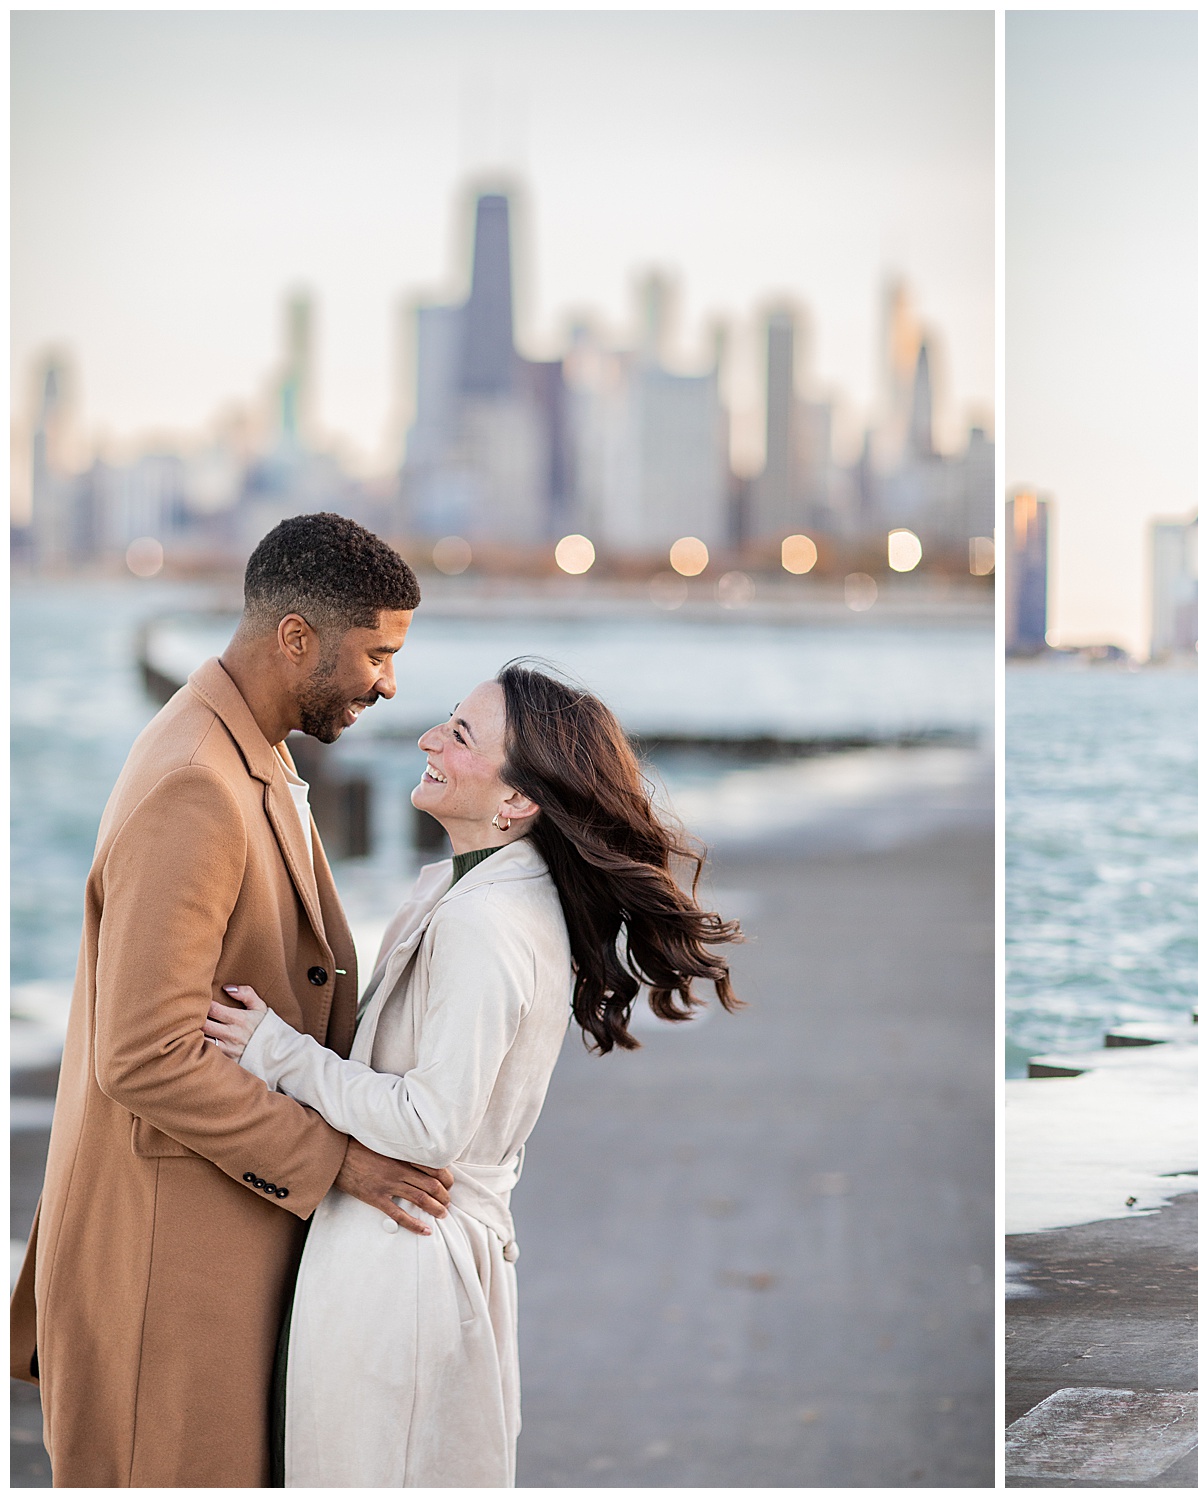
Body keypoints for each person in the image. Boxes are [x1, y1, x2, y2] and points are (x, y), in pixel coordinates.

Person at [202, 660, 742, 1486]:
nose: (428, 738)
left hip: (405, 1261)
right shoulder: (486, 896)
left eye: (460, 735)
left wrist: (274, 1051)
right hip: (413, 1253)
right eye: (445, 722)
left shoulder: (485, 924)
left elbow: (431, 1126)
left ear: (517, 801)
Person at [9, 514, 450, 1486]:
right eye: (376, 653)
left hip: (210, 1256)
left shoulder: (245, 751)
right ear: (297, 637)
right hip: (165, 1277)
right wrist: (337, 1160)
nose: (388, 683)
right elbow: (146, 1052)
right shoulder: (195, 785)